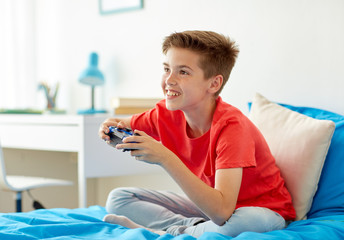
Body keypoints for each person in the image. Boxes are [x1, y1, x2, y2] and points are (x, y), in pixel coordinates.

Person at [98, 30, 296, 237]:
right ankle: (191, 227)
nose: (169, 80)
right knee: (119, 198)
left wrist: (165, 158)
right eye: (167, 69)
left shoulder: (232, 128)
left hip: (261, 212)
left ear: (214, 84)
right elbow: (120, 124)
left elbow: (221, 212)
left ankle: (171, 231)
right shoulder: (166, 114)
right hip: (209, 208)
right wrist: (109, 129)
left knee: (245, 221)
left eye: (183, 72)